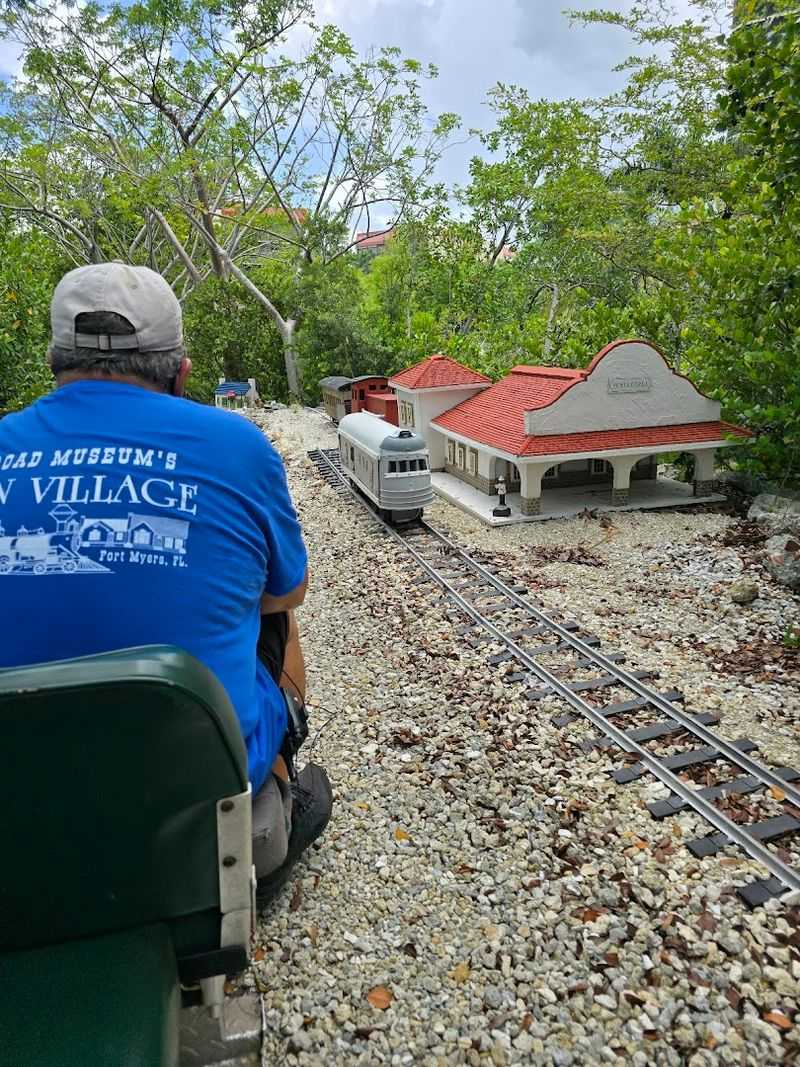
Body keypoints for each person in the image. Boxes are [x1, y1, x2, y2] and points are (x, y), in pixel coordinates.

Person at [0, 261, 332, 900]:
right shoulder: (236, 443)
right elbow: (287, 592)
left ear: (54, 362)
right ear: (180, 370)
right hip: (193, 769)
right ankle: (279, 801)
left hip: (20, 768)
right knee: (270, 612)